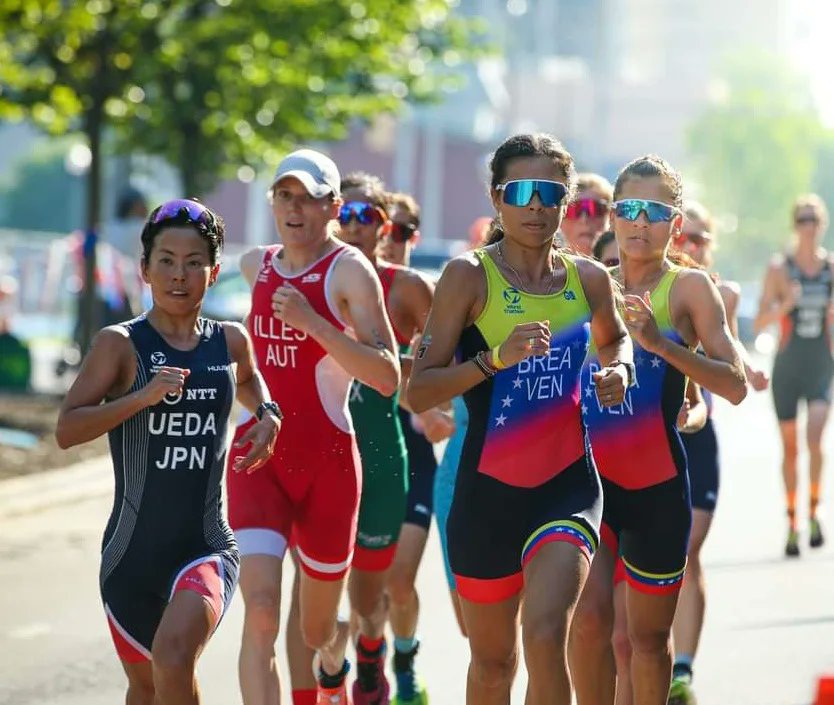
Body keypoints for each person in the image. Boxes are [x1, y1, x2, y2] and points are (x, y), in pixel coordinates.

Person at [408, 132, 634, 705]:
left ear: (565, 201)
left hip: (567, 489)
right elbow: (420, 390)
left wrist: (619, 373)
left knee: (545, 632)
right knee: (492, 663)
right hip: (486, 497)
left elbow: (617, 342)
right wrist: (492, 360)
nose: (536, 206)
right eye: (522, 191)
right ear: (496, 198)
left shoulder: (588, 280)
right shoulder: (467, 277)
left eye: (550, 193)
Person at [55, 199, 281, 705]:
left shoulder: (230, 341)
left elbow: (250, 383)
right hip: (130, 556)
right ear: (144, 269)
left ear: (215, 271)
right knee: (148, 689)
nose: (180, 274)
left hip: (205, 545)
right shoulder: (120, 345)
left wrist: (270, 415)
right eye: (166, 260)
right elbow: (67, 430)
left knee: (175, 658)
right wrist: (141, 397)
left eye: (194, 262)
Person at [570, 156, 747, 705]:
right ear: (612, 219)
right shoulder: (585, 284)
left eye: (653, 211)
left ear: (674, 225)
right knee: (592, 622)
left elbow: (736, 384)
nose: (638, 222)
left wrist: (661, 346)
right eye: (628, 209)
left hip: (656, 487)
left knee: (645, 642)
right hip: (583, 486)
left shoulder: (689, 289)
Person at [226, 149, 401, 705]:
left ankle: (333, 665)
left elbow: (388, 376)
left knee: (314, 630)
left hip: (328, 465)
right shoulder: (255, 264)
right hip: (259, 458)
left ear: (332, 206)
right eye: (285, 196)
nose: (295, 209)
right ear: (272, 202)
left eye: (307, 198)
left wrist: (312, 322)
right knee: (259, 615)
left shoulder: (349, 270)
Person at [663, 201, 770, 701]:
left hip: (697, 435)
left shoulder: (719, 292)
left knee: (686, 551)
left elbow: (732, 345)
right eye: (689, 238)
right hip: (649, 434)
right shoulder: (657, 287)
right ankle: (650, 652)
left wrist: (749, 371)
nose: (694, 247)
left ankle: (681, 669)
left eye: (704, 240)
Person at [379, 189, 455, 705]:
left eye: (404, 232)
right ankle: (362, 672)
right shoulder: (353, 291)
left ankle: (403, 662)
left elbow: (453, 381)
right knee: (359, 587)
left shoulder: (428, 295)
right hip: (361, 453)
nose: (393, 240)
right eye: (388, 229)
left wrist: (440, 414)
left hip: (413, 454)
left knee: (399, 581)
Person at [754, 193, 834, 557]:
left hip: (820, 365)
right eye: (802, 220)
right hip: (788, 366)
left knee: (816, 441)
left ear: (822, 225)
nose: (808, 227)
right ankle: (792, 521)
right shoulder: (779, 268)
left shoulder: (831, 267)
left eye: (813, 220)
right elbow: (758, 322)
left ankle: (814, 512)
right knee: (790, 448)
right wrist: (786, 304)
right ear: (794, 224)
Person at [432, 216, 492, 640]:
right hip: (460, 476)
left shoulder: (552, 308)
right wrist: (426, 412)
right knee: (477, 633)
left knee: (542, 627)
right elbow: (416, 381)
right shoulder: (452, 310)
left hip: (540, 478)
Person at [560, 173, 614, 256]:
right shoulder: (546, 267)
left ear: (611, 216)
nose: (584, 220)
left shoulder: (624, 266)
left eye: (595, 209)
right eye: (574, 209)